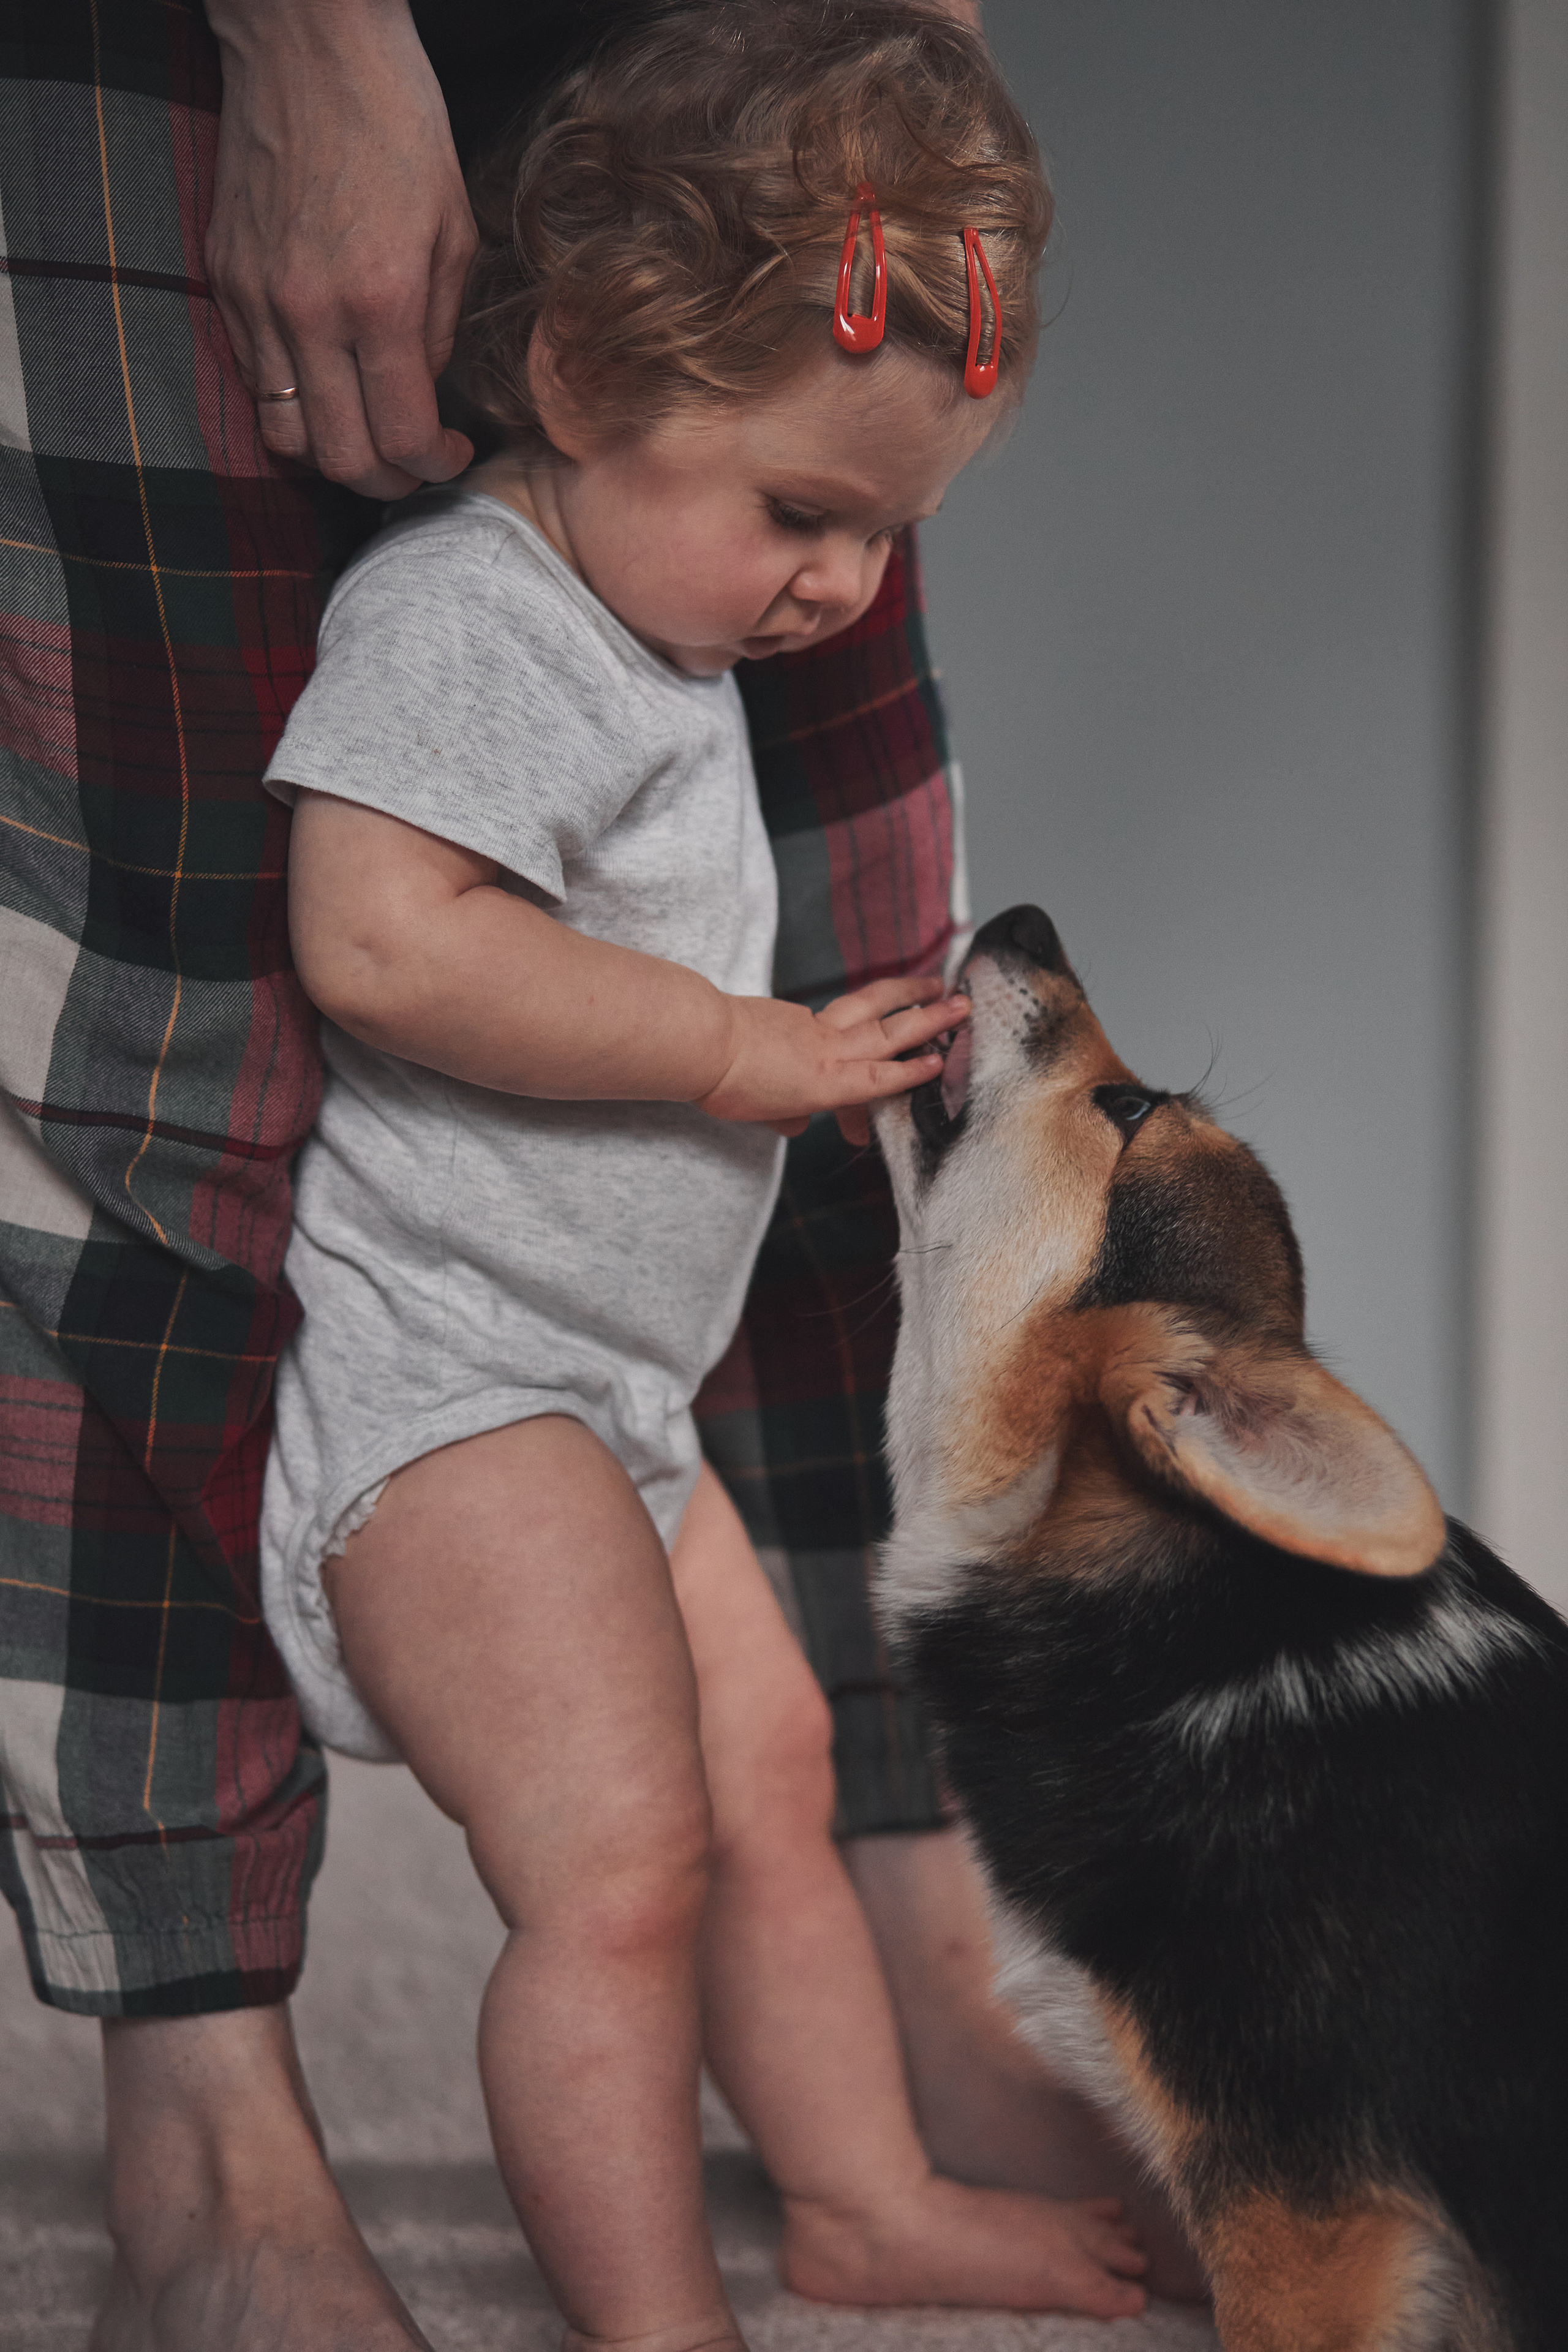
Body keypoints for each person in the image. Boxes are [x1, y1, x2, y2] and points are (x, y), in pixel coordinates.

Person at [0, 2, 1196, 2342]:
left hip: (613, 1395)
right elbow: (374, 938)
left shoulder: (656, 621)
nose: (840, 583)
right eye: (802, 514)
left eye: (889, 532)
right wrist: (742, 1051)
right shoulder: (471, 617)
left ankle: (855, 2197)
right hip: (458, 1400)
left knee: (765, 1783)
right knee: (622, 1863)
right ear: (567, 372)